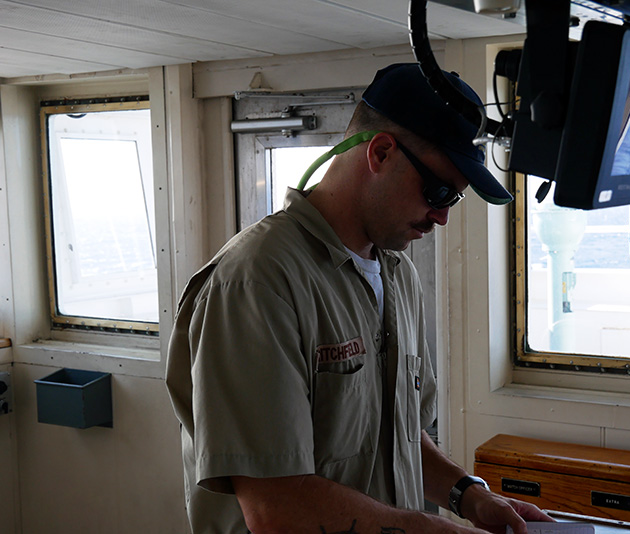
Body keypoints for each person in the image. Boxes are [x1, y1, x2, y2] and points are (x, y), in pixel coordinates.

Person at [165, 63, 553, 534]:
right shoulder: (257, 283)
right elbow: (274, 508)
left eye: (453, 200)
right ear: (382, 153)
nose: (441, 217)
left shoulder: (399, 275)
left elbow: (400, 439)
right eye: (438, 191)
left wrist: (469, 497)